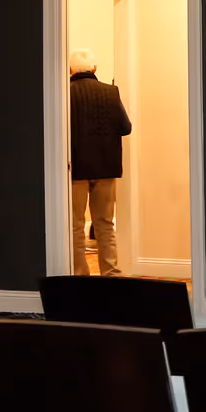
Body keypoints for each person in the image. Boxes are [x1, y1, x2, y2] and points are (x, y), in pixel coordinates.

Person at [69, 48, 132, 276]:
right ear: (95, 69)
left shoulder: (66, 93)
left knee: (75, 226)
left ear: (70, 70)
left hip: (75, 170)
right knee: (105, 224)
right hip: (107, 167)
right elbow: (126, 128)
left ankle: (80, 275)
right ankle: (111, 275)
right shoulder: (110, 92)